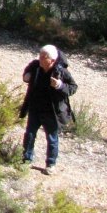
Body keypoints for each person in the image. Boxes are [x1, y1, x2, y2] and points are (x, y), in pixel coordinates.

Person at [19, 44, 77, 174]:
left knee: (52, 138)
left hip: (52, 111)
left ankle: (51, 164)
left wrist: (60, 86)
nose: (40, 58)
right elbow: (26, 74)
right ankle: (26, 159)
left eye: (43, 57)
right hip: (35, 107)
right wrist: (26, 76)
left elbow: (73, 87)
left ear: (51, 60)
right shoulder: (35, 66)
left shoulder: (61, 71)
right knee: (30, 134)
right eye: (40, 55)